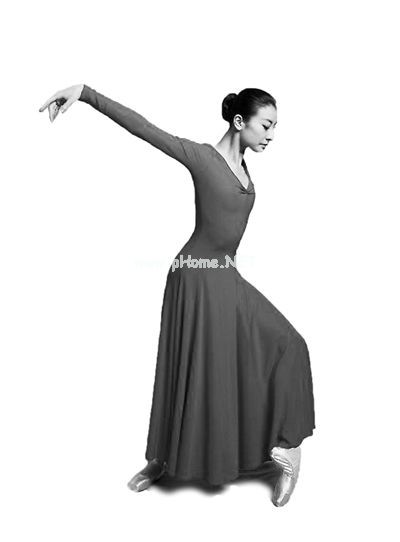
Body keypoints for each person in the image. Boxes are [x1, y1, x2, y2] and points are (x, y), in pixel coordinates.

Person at [39, 83, 315, 507]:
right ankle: (162, 459)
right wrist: (85, 93)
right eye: (266, 125)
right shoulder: (202, 158)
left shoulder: (245, 166)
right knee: (182, 368)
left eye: (275, 127)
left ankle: (289, 449)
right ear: (239, 121)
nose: (272, 135)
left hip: (225, 278)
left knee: (288, 344)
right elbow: (145, 129)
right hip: (192, 278)